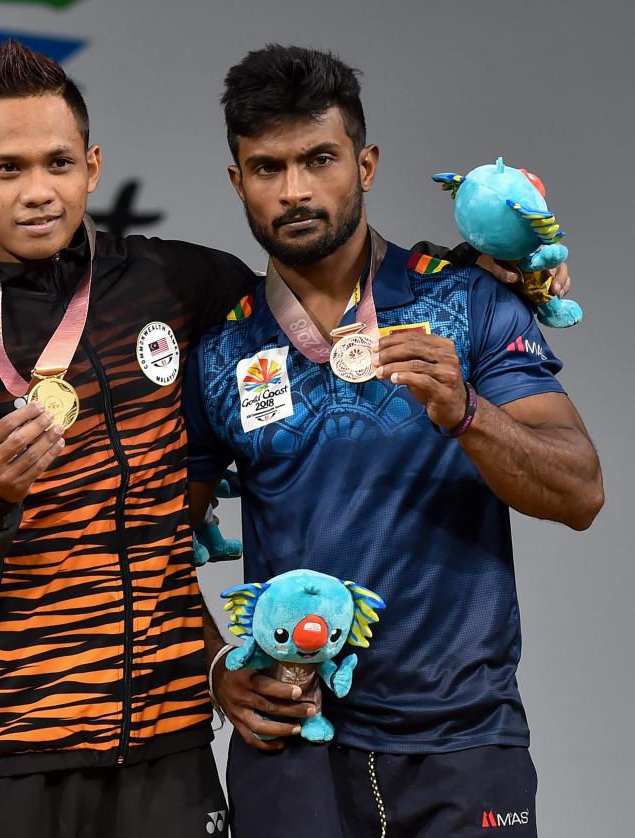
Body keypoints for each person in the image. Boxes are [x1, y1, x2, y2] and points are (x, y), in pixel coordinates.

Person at [187, 44, 604, 838]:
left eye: (320, 159)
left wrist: (466, 412)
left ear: (366, 163)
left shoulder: (464, 299)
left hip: (463, 742)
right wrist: (218, 668)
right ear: (239, 181)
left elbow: (581, 491)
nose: (296, 189)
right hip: (292, 747)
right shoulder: (220, 350)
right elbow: (154, 541)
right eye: (268, 168)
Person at [0, 40, 258, 838]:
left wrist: (471, 275)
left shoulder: (172, 284)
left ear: (93, 165)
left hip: (165, 743)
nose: (39, 192)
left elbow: (308, 307)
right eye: (7, 169)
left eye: (59, 163)